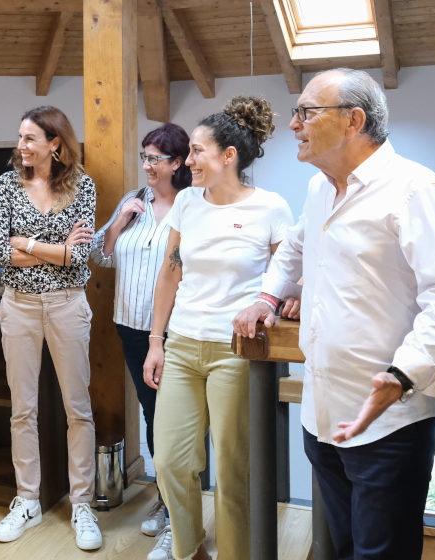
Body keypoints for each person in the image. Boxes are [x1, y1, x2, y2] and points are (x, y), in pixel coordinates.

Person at [233, 68, 435, 559]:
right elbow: (293, 249)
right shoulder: (321, 189)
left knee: (380, 553)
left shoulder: (414, 190)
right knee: (341, 547)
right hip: (322, 414)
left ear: (353, 120)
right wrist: (267, 298)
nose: (294, 124)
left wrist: (402, 375)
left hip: (390, 420)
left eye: (306, 112)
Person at [143, 97, 295, 560]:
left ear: (229, 156)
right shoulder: (187, 202)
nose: (188, 161)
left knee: (233, 468)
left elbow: (285, 272)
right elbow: (170, 273)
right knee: (170, 461)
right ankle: (190, 550)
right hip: (184, 345)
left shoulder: (271, 208)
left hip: (237, 350)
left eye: (196, 151)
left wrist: (287, 296)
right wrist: (156, 341)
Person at [0, 105, 102, 551]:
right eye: (20, 137)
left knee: (79, 408)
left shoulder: (82, 186)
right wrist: (54, 249)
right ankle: (28, 500)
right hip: (17, 305)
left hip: (67, 305)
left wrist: (29, 243)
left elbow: (79, 257)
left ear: (55, 143)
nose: (21, 146)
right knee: (23, 409)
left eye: (30, 139)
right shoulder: (6, 186)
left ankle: (82, 504)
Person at [89, 123, 191, 560]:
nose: (147, 165)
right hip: (131, 326)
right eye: (144, 157)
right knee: (152, 416)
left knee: (179, 421)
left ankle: (180, 513)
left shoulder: (193, 204)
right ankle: (165, 500)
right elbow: (100, 254)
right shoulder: (135, 200)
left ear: (178, 162)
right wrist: (118, 225)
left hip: (176, 330)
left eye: (155, 158)